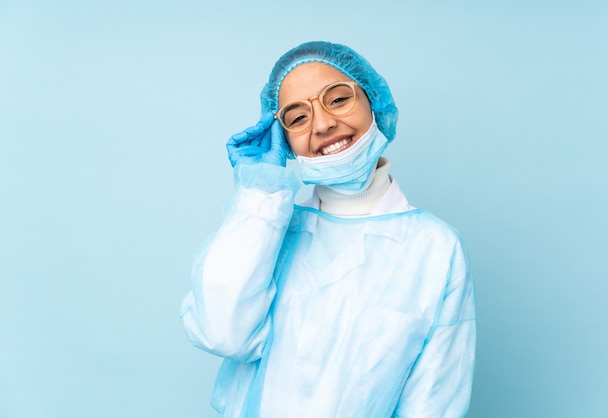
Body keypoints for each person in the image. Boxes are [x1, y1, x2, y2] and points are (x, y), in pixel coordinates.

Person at [180, 41, 476, 418]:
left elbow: (436, 401)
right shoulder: (267, 226)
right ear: (283, 140)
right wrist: (260, 194)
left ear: (375, 103)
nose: (322, 124)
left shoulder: (435, 249)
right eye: (298, 118)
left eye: (337, 100)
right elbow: (223, 333)